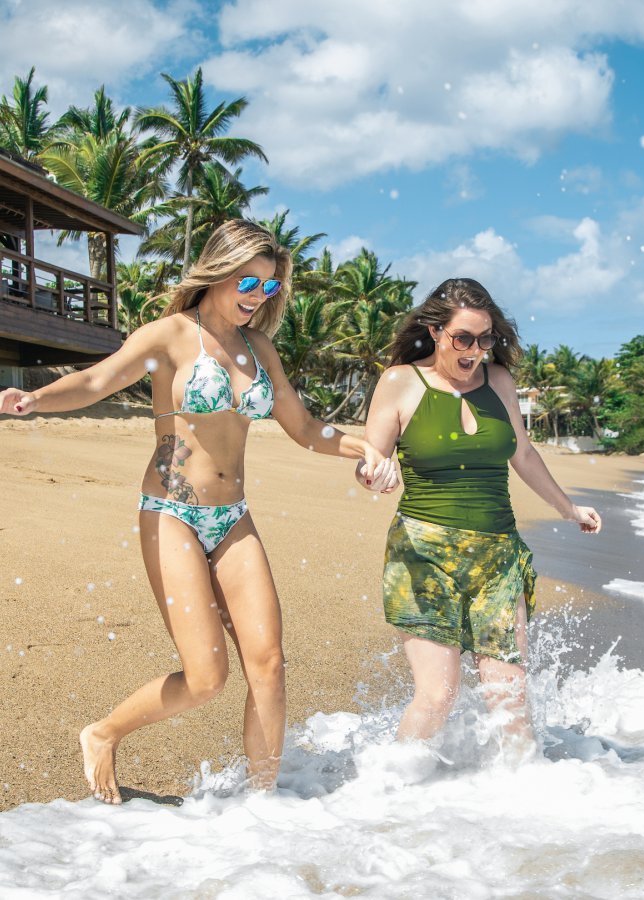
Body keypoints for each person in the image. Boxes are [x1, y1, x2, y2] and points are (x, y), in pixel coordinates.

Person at [0, 219, 397, 803]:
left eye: (267, 287)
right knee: (208, 677)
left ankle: (260, 811)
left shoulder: (259, 348)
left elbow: (307, 428)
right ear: (217, 270)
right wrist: (34, 399)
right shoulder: (168, 336)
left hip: (232, 516)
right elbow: (96, 380)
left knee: (269, 664)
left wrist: (367, 450)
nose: (255, 297)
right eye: (246, 281)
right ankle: (103, 732)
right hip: (172, 510)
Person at [360, 277, 601, 757]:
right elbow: (370, 458)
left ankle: (526, 810)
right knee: (437, 695)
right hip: (422, 556)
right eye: (463, 338)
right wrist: (373, 474)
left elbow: (525, 454)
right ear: (434, 331)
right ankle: (386, 799)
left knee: (508, 698)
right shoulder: (400, 382)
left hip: (497, 557)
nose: (475, 350)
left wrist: (568, 508)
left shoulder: (499, 382)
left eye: (485, 338)